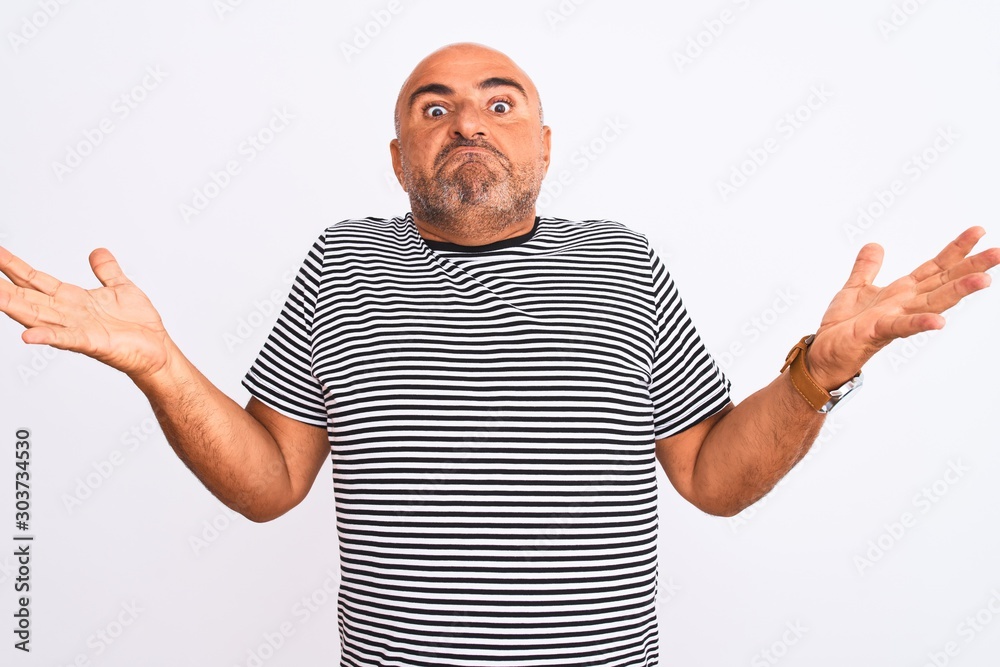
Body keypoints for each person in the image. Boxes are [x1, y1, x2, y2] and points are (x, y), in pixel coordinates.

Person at [0, 42, 996, 666]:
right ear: (397, 158)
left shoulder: (621, 261)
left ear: (546, 145)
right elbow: (270, 483)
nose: (466, 118)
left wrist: (817, 372)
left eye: (498, 100)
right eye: (430, 108)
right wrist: (160, 364)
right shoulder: (340, 262)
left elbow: (710, 477)